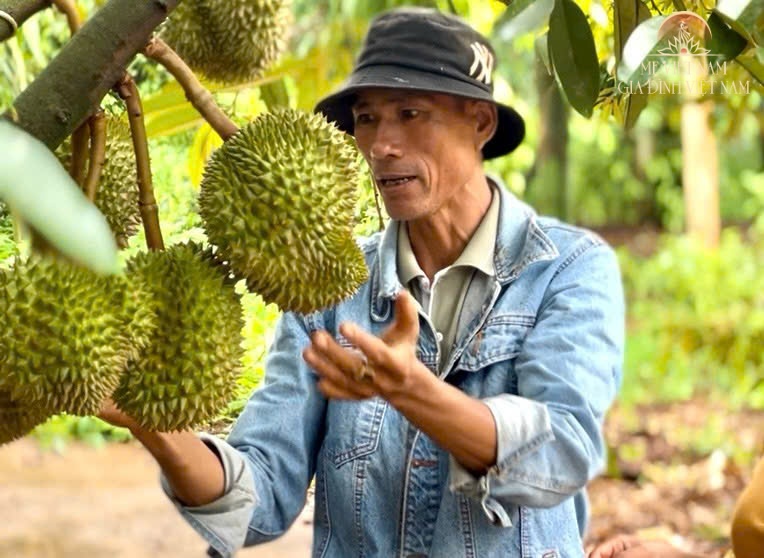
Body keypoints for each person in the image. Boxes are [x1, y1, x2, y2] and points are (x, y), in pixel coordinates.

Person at [100, 7, 625, 557]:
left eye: (410, 112)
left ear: (481, 123)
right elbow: (261, 499)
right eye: (367, 118)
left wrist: (410, 390)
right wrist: (153, 425)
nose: (381, 144)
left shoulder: (566, 268)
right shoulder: (327, 288)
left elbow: (561, 451)